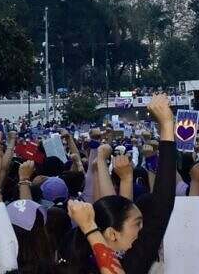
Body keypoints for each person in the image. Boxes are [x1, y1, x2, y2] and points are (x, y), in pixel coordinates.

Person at [62, 93, 178, 274]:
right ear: (112, 234)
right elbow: (161, 207)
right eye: (138, 224)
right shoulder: (130, 266)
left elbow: (112, 208)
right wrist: (167, 126)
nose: (144, 229)